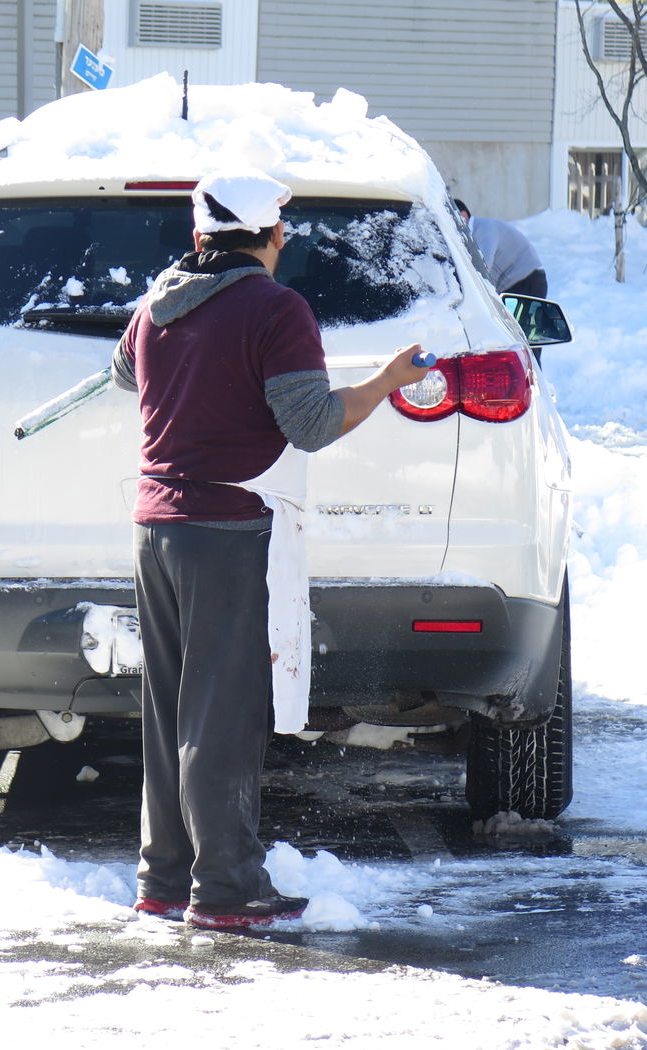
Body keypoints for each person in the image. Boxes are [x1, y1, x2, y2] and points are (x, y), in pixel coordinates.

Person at [111, 170, 430, 930]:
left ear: (198, 238)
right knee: (221, 715)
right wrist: (386, 381)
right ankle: (224, 892)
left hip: (155, 528)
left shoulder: (159, 301)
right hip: (228, 530)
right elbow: (311, 423)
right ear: (270, 237)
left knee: (169, 712)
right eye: (282, 230)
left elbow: (125, 371)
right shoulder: (276, 308)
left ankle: (163, 879)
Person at [453, 198, 548, 299]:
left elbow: (483, 266)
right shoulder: (470, 236)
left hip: (527, 281)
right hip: (515, 284)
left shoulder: (484, 228)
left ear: (463, 215)